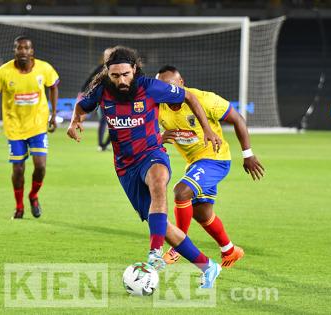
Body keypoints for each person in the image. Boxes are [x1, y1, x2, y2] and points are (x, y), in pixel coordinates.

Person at [67, 46, 223, 288]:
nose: (121, 80)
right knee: (161, 225)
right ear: (108, 74)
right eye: (116, 75)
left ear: (134, 70)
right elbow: (82, 105)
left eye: (126, 74)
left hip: (152, 154)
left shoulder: (150, 87)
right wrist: (74, 122)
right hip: (125, 167)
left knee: (159, 184)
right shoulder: (102, 91)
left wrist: (209, 130)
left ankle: (155, 252)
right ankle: (207, 266)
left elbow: (189, 97)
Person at [156, 65, 265, 268]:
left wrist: (247, 154)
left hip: (216, 159)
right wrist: (159, 138)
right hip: (195, 164)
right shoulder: (158, 106)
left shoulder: (205, 99)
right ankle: (230, 250)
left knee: (181, 192)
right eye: (161, 87)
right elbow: (147, 136)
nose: (167, 92)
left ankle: (178, 246)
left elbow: (237, 119)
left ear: (181, 83)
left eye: (171, 86)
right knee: (201, 212)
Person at [0, 35, 59, 219]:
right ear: (15, 50)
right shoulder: (4, 72)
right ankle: (19, 207)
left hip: (38, 126)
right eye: (19, 48)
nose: (23, 51)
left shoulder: (44, 68)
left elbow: (54, 86)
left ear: (32, 51)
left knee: (40, 166)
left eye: (26, 48)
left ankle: (33, 196)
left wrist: (54, 114)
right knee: (18, 169)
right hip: (15, 128)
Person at [79, 48, 113, 151]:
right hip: (103, 99)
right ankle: (100, 144)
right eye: (106, 55)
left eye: (109, 55)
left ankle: (106, 144)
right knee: (103, 120)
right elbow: (89, 79)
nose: (107, 57)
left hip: (116, 100)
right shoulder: (100, 69)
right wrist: (82, 92)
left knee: (115, 123)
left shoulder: (118, 68)